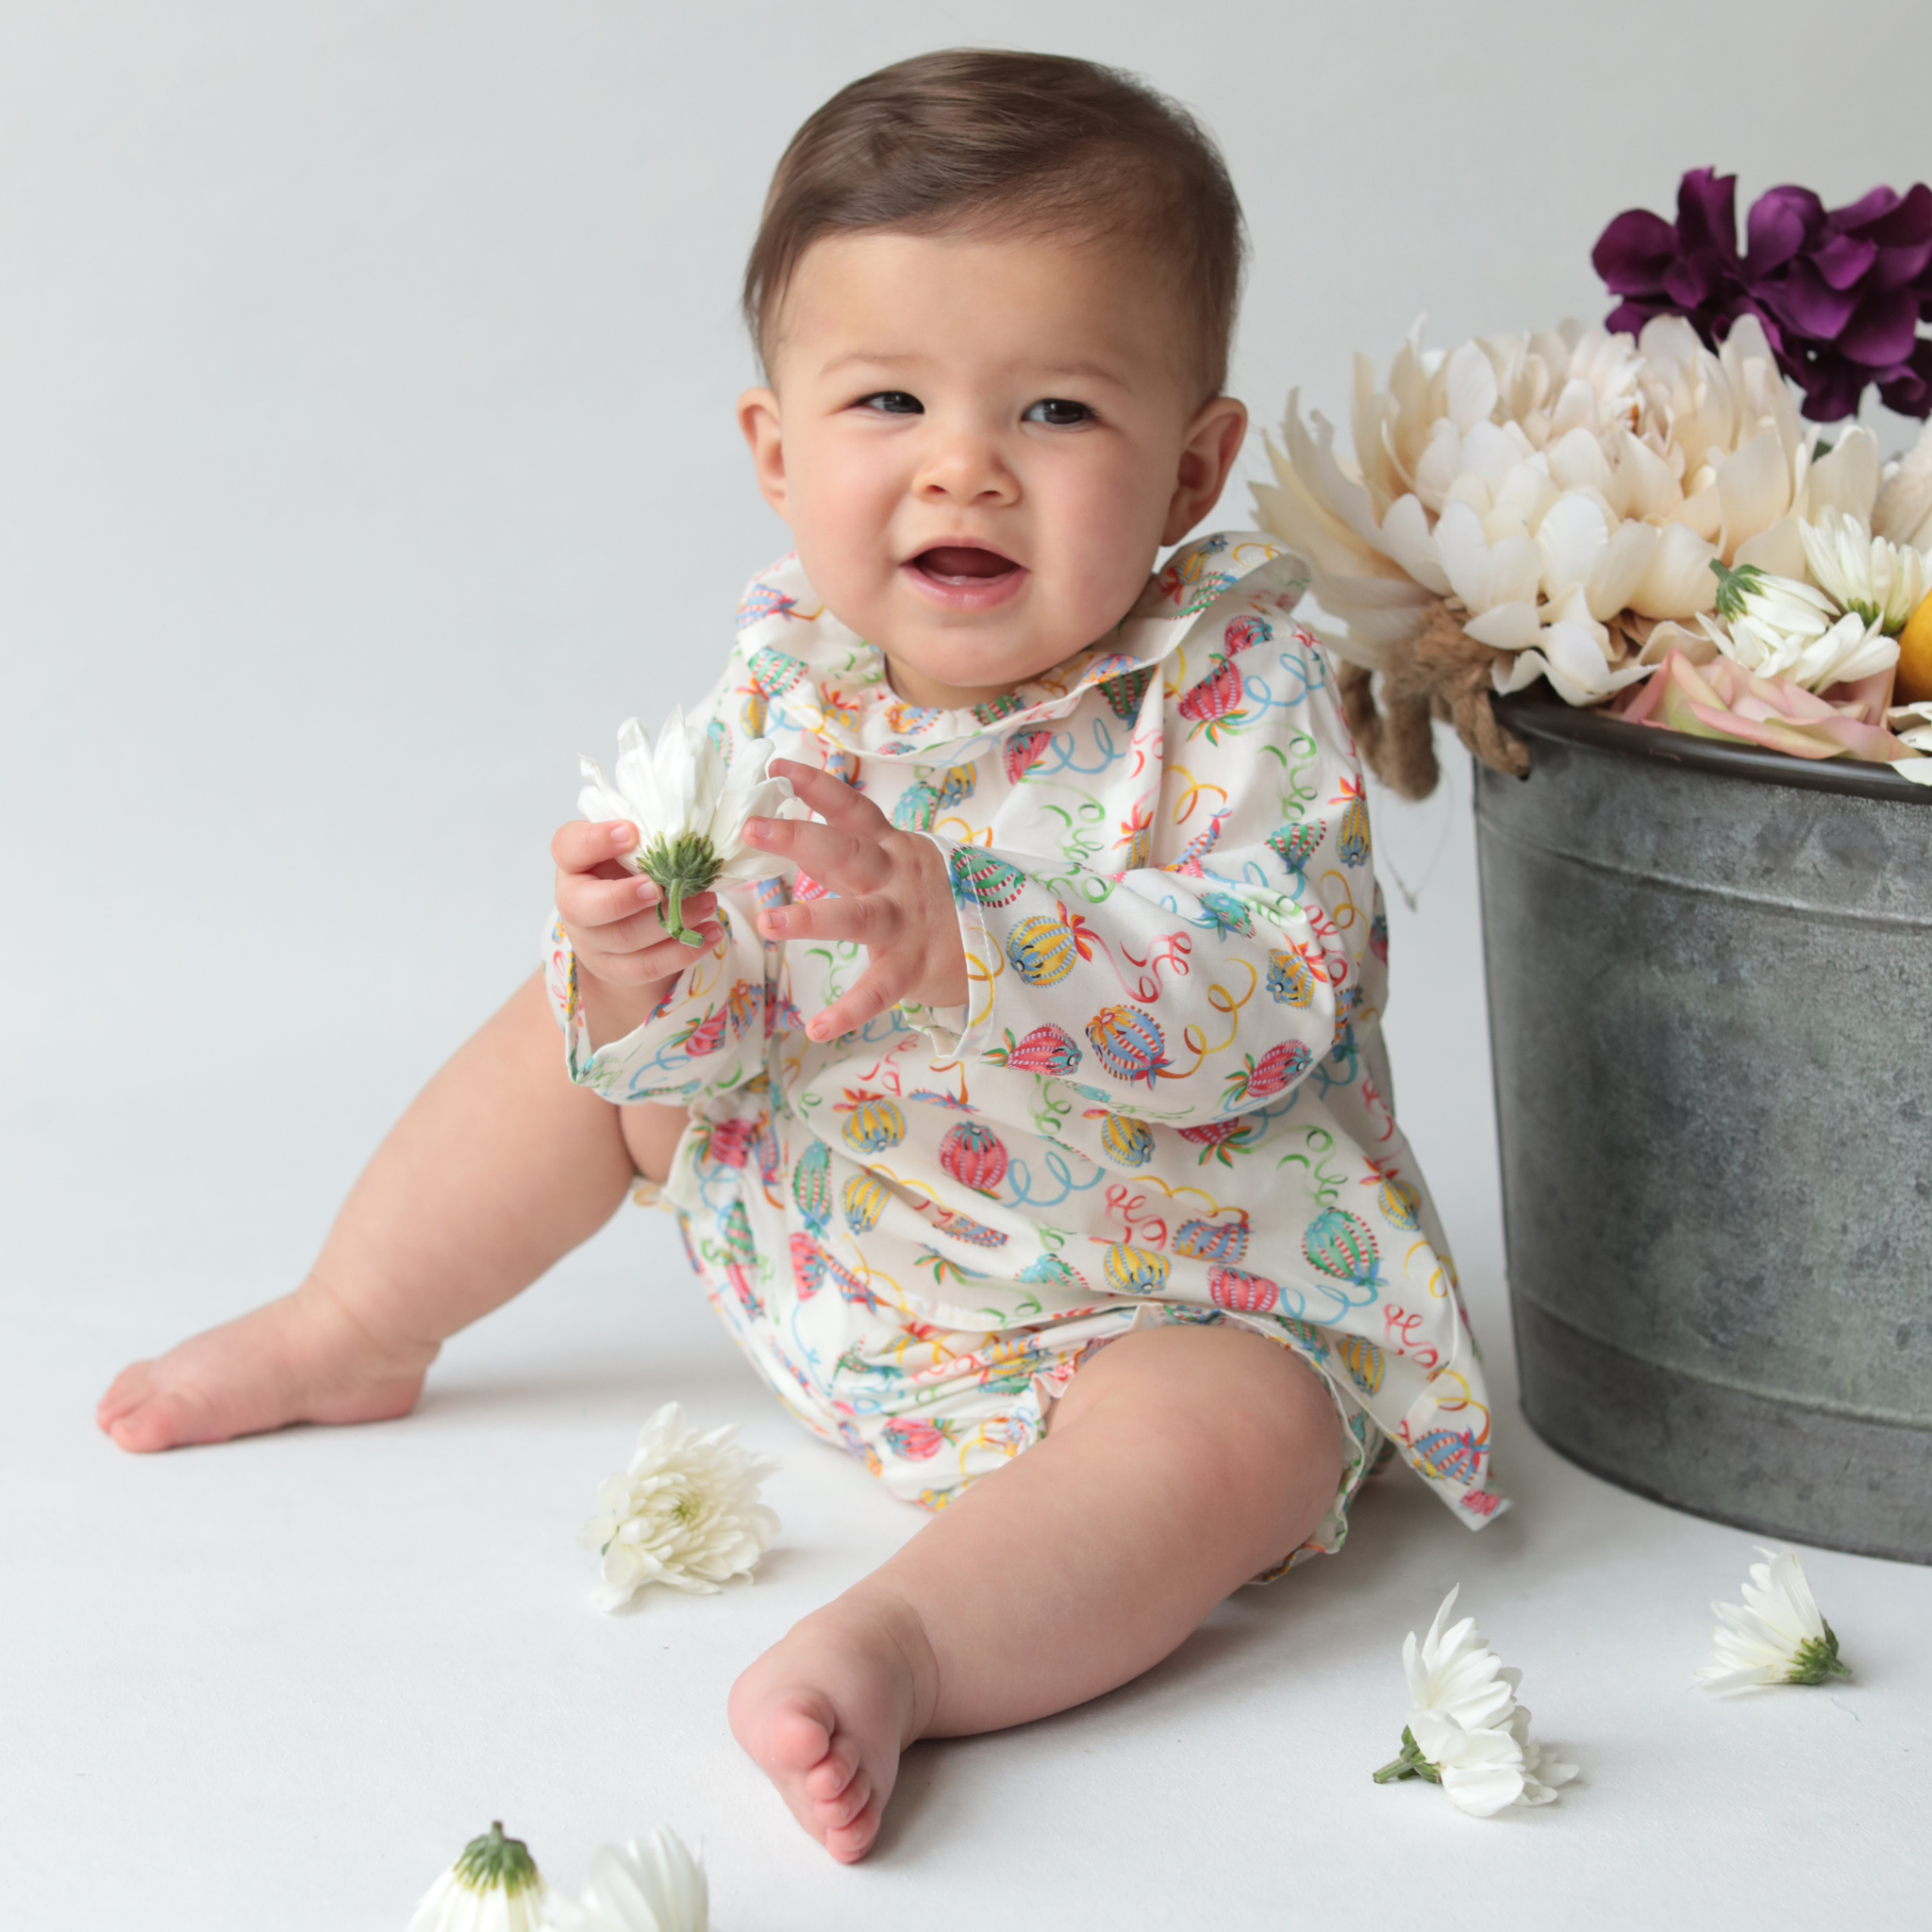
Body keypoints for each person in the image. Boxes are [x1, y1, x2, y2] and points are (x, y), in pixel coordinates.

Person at [97, 48, 1505, 1863]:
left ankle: (915, 1639)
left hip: (1159, 1282)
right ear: (777, 452)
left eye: (1060, 412)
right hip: (851, 1236)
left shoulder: (1242, 693)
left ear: (1191, 467)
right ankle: (355, 1322)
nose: (966, 467)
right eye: (890, 402)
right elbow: (722, 1019)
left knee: (1243, 1439)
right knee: (559, 1033)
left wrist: (965, 924)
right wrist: (639, 971)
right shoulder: (790, 682)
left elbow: (1270, 993)